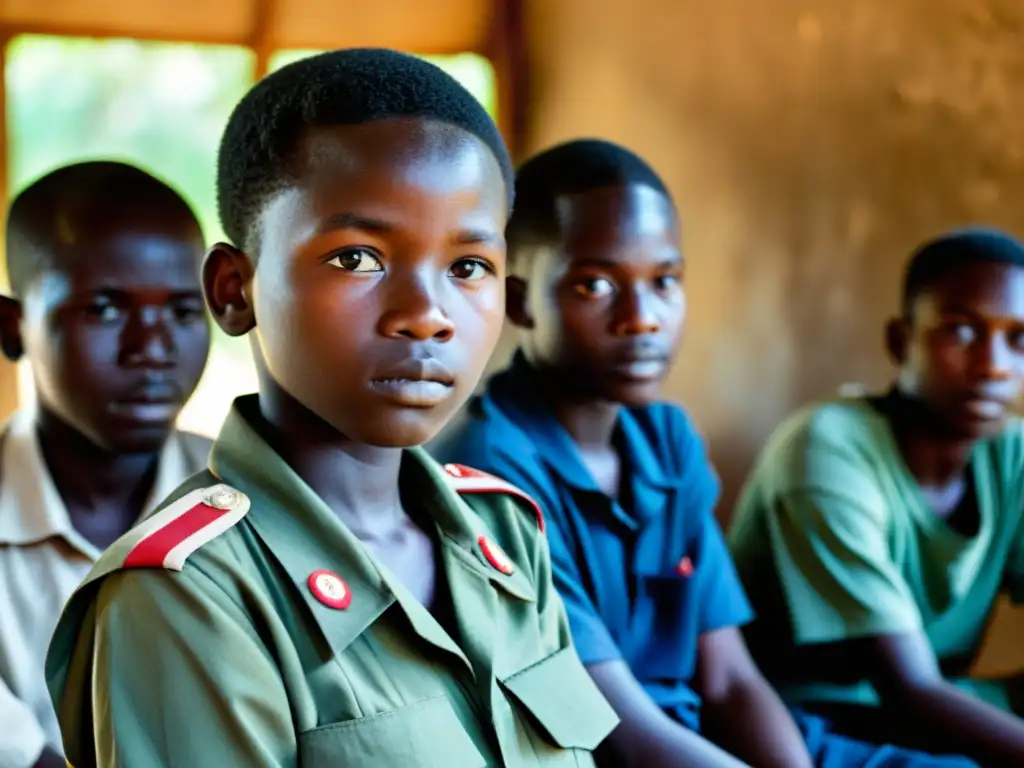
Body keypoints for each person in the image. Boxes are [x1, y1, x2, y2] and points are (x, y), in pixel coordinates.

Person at [45, 50, 618, 768]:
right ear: (233, 290)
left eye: (468, 266)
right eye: (357, 258)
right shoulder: (189, 598)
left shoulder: (502, 537)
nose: (426, 316)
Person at [432, 138, 977, 768]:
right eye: (595, 285)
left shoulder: (666, 442)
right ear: (521, 299)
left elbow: (730, 681)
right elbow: (618, 729)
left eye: (665, 281)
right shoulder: (487, 470)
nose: (643, 318)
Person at [729, 228, 1024, 765]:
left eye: (1018, 340)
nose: (994, 365)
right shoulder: (828, 450)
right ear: (899, 341)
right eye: (960, 332)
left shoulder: (1012, 453)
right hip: (812, 718)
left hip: (933, 703)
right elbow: (907, 689)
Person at [0, 161, 213, 768]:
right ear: (14, 328)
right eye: (104, 309)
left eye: (181, 312)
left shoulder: (253, 503)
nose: (152, 349)